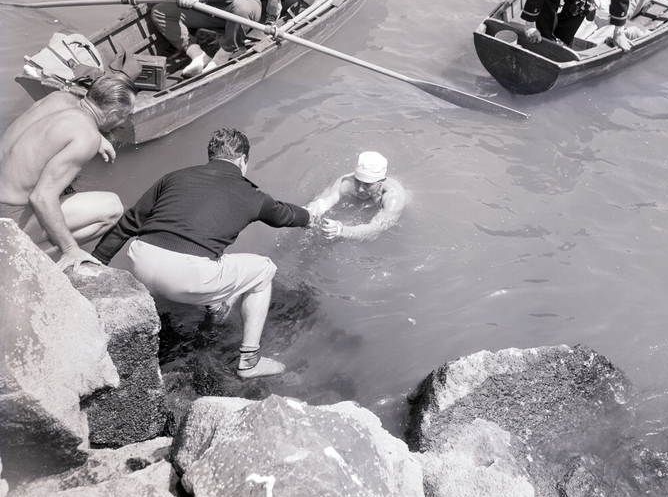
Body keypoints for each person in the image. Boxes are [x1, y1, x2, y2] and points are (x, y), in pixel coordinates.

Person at [91, 128, 313, 379]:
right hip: (186, 277)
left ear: (211, 156)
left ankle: (214, 305)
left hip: (140, 261)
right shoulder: (252, 195)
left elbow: (130, 221)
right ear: (243, 160)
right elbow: (285, 215)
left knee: (209, 252)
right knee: (263, 269)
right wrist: (310, 218)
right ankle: (250, 360)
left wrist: (98, 261)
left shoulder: (173, 177)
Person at [0, 76, 136, 271]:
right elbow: (42, 197)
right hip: (7, 219)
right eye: (126, 115)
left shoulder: (59, 98)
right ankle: (15, 257)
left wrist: (97, 134)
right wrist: (70, 249)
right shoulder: (86, 136)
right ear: (113, 113)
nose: (125, 120)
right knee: (113, 208)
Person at [305, 151, 407, 241]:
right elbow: (326, 200)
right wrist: (312, 210)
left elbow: (374, 229)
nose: (359, 189)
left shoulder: (395, 198)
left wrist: (341, 230)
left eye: (367, 184)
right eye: (357, 182)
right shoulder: (347, 181)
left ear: (382, 181)